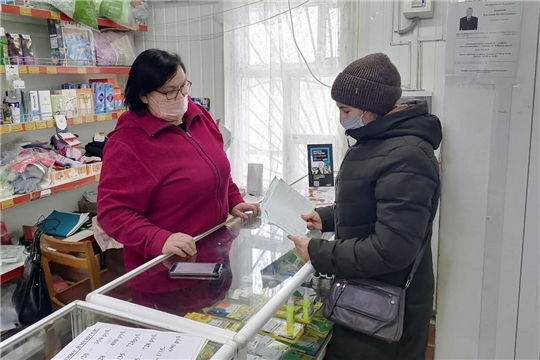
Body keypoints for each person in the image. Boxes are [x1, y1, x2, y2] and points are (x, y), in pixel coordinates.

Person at [289, 53, 442, 360]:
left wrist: (318, 252)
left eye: (345, 109)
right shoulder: (379, 140)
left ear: (372, 109)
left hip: (386, 306)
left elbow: (391, 249)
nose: (341, 117)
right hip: (368, 297)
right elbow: (374, 205)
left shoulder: (407, 154)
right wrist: (327, 218)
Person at [97, 49, 259, 291]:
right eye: (170, 92)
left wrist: (232, 199)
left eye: (184, 87)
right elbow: (112, 214)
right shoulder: (128, 143)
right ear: (143, 96)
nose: (181, 96)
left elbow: (217, 168)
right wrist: (158, 239)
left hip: (213, 256)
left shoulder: (198, 115)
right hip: (165, 274)